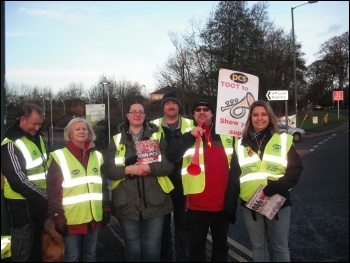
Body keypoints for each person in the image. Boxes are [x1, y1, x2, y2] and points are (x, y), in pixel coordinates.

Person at [227, 100, 303, 262]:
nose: (259, 118)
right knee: (258, 247)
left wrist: (278, 186)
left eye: (263, 114)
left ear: (270, 117)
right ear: (250, 118)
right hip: (250, 204)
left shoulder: (283, 140)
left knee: (280, 247)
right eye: (255, 115)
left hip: (278, 202)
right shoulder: (240, 144)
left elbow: (295, 170)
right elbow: (234, 176)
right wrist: (230, 204)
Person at [101, 101, 175, 262]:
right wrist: (128, 170)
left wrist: (150, 168)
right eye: (133, 111)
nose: (137, 114)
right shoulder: (115, 140)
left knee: (152, 245)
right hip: (125, 201)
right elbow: (108, 169)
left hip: (156, 200)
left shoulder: (157, 136)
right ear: (127, 115)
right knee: (132, 245)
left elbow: (169, 166)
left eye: (140, 112)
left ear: (145, 115)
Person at [165, 99, 238, 262]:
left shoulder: (228, 135)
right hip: (196, 204)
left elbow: (235, 170)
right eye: (198, 109)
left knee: (220, 249)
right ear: (193, 114)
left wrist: (232, 200)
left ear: (212, 113)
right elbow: (171, 155)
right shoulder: (185, 133)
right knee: (196, 250)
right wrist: (189, 137)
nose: (202, 112)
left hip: (222, 204)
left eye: (206, 109)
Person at [46, 117, 111, 262]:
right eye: (77, 129)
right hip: (71, 220)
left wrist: (106, 208)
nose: (82, 131)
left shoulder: (98, 156)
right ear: (70, 133)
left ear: (89, 132)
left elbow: (103, 186)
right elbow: (53, 192)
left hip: (94, 217)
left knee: (91, 255)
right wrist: (58, 217)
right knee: (72, 257)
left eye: (84, 129)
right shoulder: (59, 157)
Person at [1, 102, 49, 262]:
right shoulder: (11, 143)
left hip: (40, 203)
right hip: (22, 205)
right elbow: (18, 180)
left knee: (38, 249)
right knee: (22, 252)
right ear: (22, 119)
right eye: (34, 123)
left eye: (40, 124)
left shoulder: (38, 138)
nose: (37, 128)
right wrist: (45, 198)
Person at [151, 91, 193, 262]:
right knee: (162, 230)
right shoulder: (151, 127)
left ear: (179, 106)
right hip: (160, 184)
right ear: (163, 107)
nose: (171, 106)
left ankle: (183, 259)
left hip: (185, 183)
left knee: (184, 228)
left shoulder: (192, 124)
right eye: (167, 103)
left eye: (174, 103)